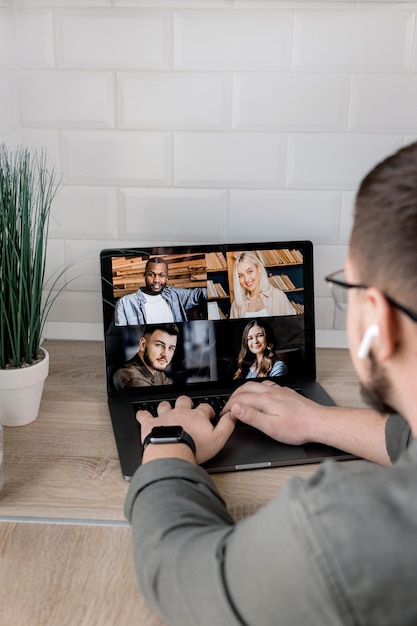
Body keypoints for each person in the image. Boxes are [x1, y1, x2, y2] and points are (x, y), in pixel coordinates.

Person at [124, 142, 417, 625]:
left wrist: (167, 442)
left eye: (350, 289)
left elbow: (183, 578)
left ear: (378, 322)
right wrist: (318, 420)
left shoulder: (346, 530)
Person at [115, 257, 207, 325]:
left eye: (161, 275)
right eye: (151, 275)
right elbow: (120, 338)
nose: (156, 280)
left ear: (167, 278)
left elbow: (200, 294)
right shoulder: (125, 303)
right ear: (144, 276)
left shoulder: (176, 295)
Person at [229, 251, 296, 319]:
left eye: (250, 271)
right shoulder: (237, 304)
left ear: (259, 268)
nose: (246, 279)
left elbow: (293, 326)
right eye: (240, 276)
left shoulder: (278, 296)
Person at [113, 324, 179, 389]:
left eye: (171, 348)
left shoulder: (156, 371)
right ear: (143, 344)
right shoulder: (132, 377)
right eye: (159, 345)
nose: (165, 354)